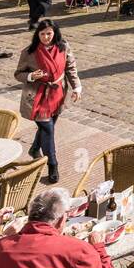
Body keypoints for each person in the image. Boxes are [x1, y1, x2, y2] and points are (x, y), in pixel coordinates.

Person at [14, 17, 81, 184]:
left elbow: (70, 68)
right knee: (48, 130)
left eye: (49, 33)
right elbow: (18, 74)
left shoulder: (63, 47)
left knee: (46, 129)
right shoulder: (29, 52)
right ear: (37, 34)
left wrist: (77, 87)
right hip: (37, 97)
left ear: (55, 33)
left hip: (57, 94)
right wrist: (30, 76)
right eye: (42, 34)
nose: (45, 37)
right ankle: (52, 164)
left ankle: (34, 148)